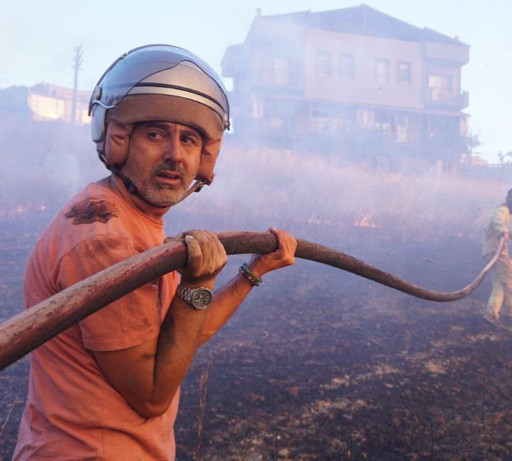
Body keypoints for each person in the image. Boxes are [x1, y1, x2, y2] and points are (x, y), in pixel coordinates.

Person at [13, 44, 298, 460]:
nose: (174, 154)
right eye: (155, 133)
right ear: (118, 140)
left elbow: (174, 339)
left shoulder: (133, 220)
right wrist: (197, 283)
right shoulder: (103, 241)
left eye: (189, 139)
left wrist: (251, 275)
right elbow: (150, 395)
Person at [481, 187, 512, 329]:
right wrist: (503, 231)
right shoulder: (502, 210)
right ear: (508, 198)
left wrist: (507, 234)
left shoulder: (504, 212)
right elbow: (498, 221)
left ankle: (491, 314)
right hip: (497, 253)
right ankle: (510, 315)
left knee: (499, 283)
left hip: (492, 251)